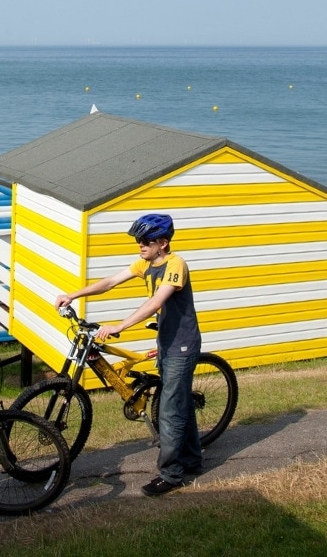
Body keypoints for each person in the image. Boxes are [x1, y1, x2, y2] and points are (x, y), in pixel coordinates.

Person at [54, 213, 202, 496]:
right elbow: (109, 282)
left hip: (182, 345)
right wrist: (73, 295)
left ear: (164, 243)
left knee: (170, 411)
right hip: (166, 340)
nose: (140, 245)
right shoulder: (145, 264)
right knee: (179, 401)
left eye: (146, 241)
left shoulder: (176, 264)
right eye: (138, 241)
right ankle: (192, 460)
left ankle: (171, 474)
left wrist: (120, 325)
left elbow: (158, 300)